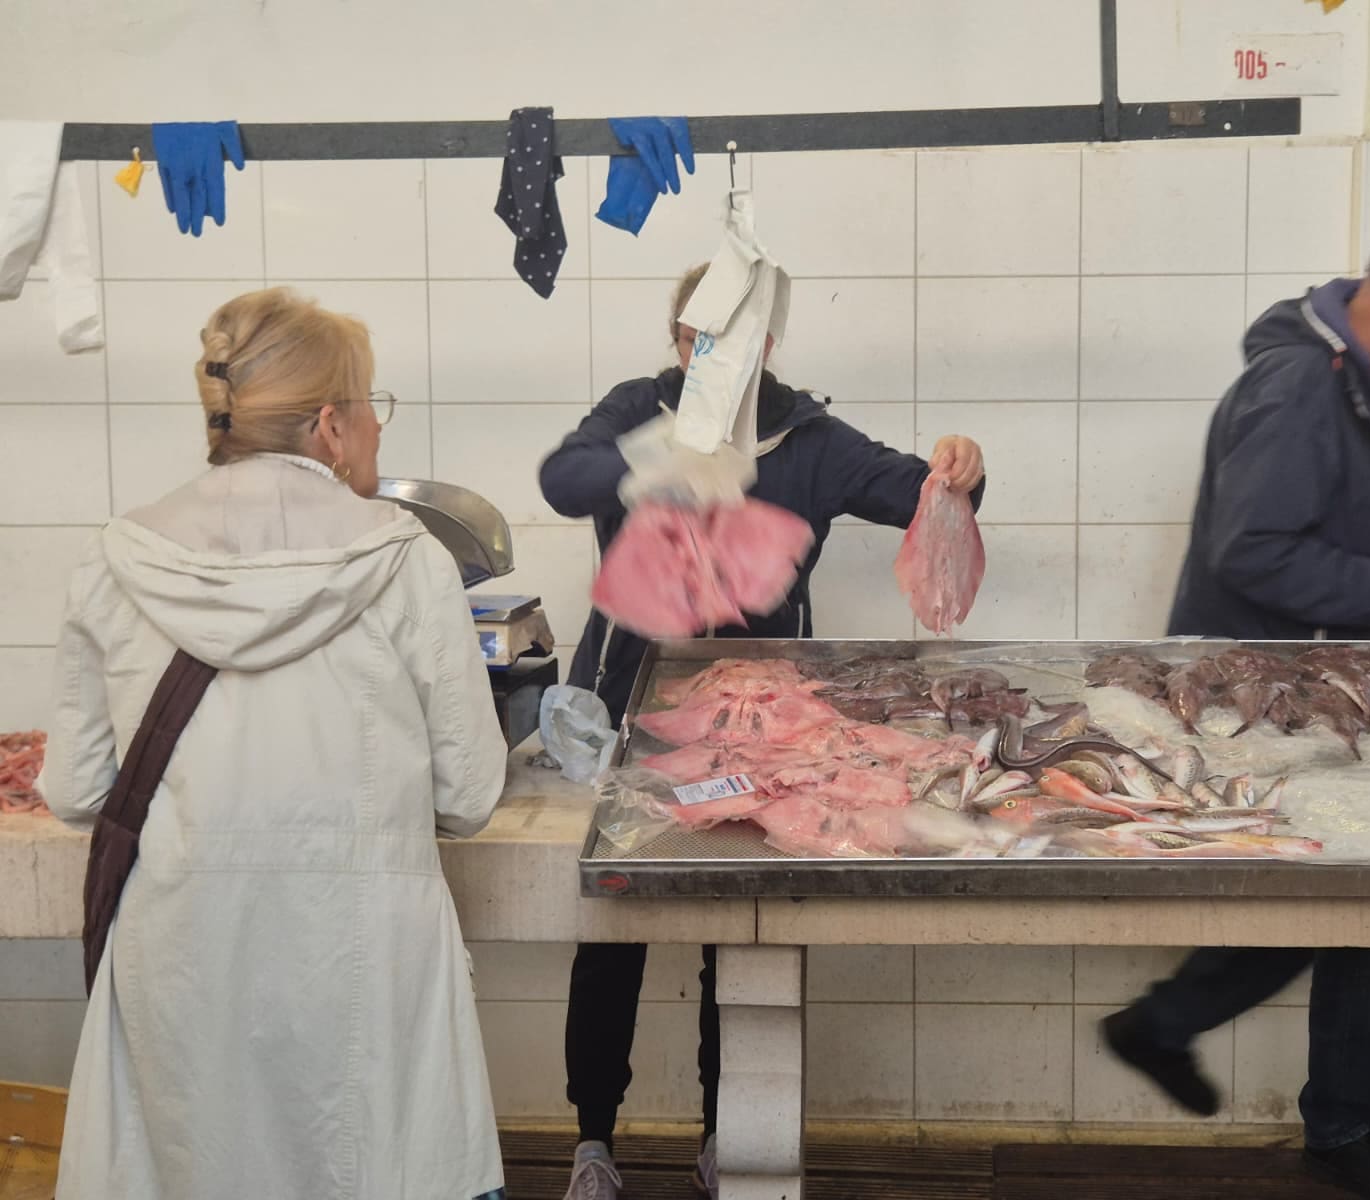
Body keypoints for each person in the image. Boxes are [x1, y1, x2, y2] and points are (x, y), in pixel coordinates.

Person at [45, 288, 510, 1200]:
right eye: (372, 403)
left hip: (182, 961)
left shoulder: (115, 558)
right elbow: (469, 796)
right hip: (366, 967)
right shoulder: (407, 561)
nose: (378, 426)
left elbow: (76, 789)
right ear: (331, 426)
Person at [539, 263, 986, 1200]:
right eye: (694, 339)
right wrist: (651, 466)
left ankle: (726, 1136)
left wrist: (962, 470)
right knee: (611, 928)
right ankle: (592, 1142)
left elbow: (914, 491)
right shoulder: (638, 409)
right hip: (636, 705)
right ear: (676, 339)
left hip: (763, 723)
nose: (709, 358)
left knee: (734, 932)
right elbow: (562, 476)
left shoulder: (806, 437)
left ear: (766, 345)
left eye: (731, 342)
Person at [1102, 222, 1370, 1200]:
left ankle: (1223, 1057)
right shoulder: (1297, 387)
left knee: (1366, 891)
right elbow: (1253, 552)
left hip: (1329, 690)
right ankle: (1233, 1063)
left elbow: (1366, 525)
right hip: (1263, 697)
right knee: (1357, 891)